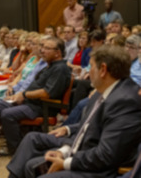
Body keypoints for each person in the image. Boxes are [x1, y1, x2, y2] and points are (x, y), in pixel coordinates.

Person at [33, 45, 141, 178]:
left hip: (101, 170)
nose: (88, 72)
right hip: (84, 156)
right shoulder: (101, 92)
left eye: (91, 67)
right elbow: (84, 130)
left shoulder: (125, 101)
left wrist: (66, 162)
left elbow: (106, 155)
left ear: (103, 70)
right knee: (32, 166)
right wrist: (65, 151)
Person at [0, 37, 71, 156]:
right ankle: (22, 141)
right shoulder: (49, 65)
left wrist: (24, 95)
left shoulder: (60, 69)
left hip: (41, 107)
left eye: (47, 48)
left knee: (7, 114)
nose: (42, 50)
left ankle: (16, 150)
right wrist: (19, 95)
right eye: (42, 47)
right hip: (30, 102)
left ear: (58, 53)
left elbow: (46, 93)